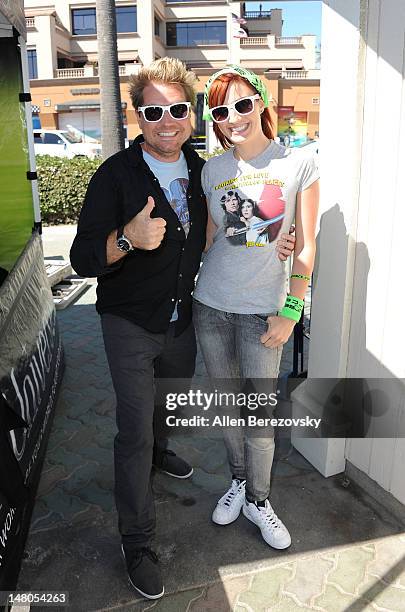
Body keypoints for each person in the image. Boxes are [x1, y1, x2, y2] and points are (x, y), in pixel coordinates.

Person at [70, 57, 295, 600]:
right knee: (133, 428)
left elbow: (236, 228)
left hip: (184, 318)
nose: (165, 121)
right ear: (137, 115)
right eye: (152, 111)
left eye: (176, 109)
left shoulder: (203, 170)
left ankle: (158, 452)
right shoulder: (115, 175)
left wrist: (280, 246)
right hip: (129, 322)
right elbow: (80, 258)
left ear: (191, 115)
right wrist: (126, 238)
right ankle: (138, 541)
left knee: (164, 404)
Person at [193, 65, 319, 550]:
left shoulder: (299, 162)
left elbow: (306, 247)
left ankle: (260, 500)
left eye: (243, 104)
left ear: (262, 104)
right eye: (222, 111)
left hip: (263, 314)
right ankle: (239, 482)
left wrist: (291, 311)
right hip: (211, 306)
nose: (233, 117)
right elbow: (210, 239)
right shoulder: (213, 170)